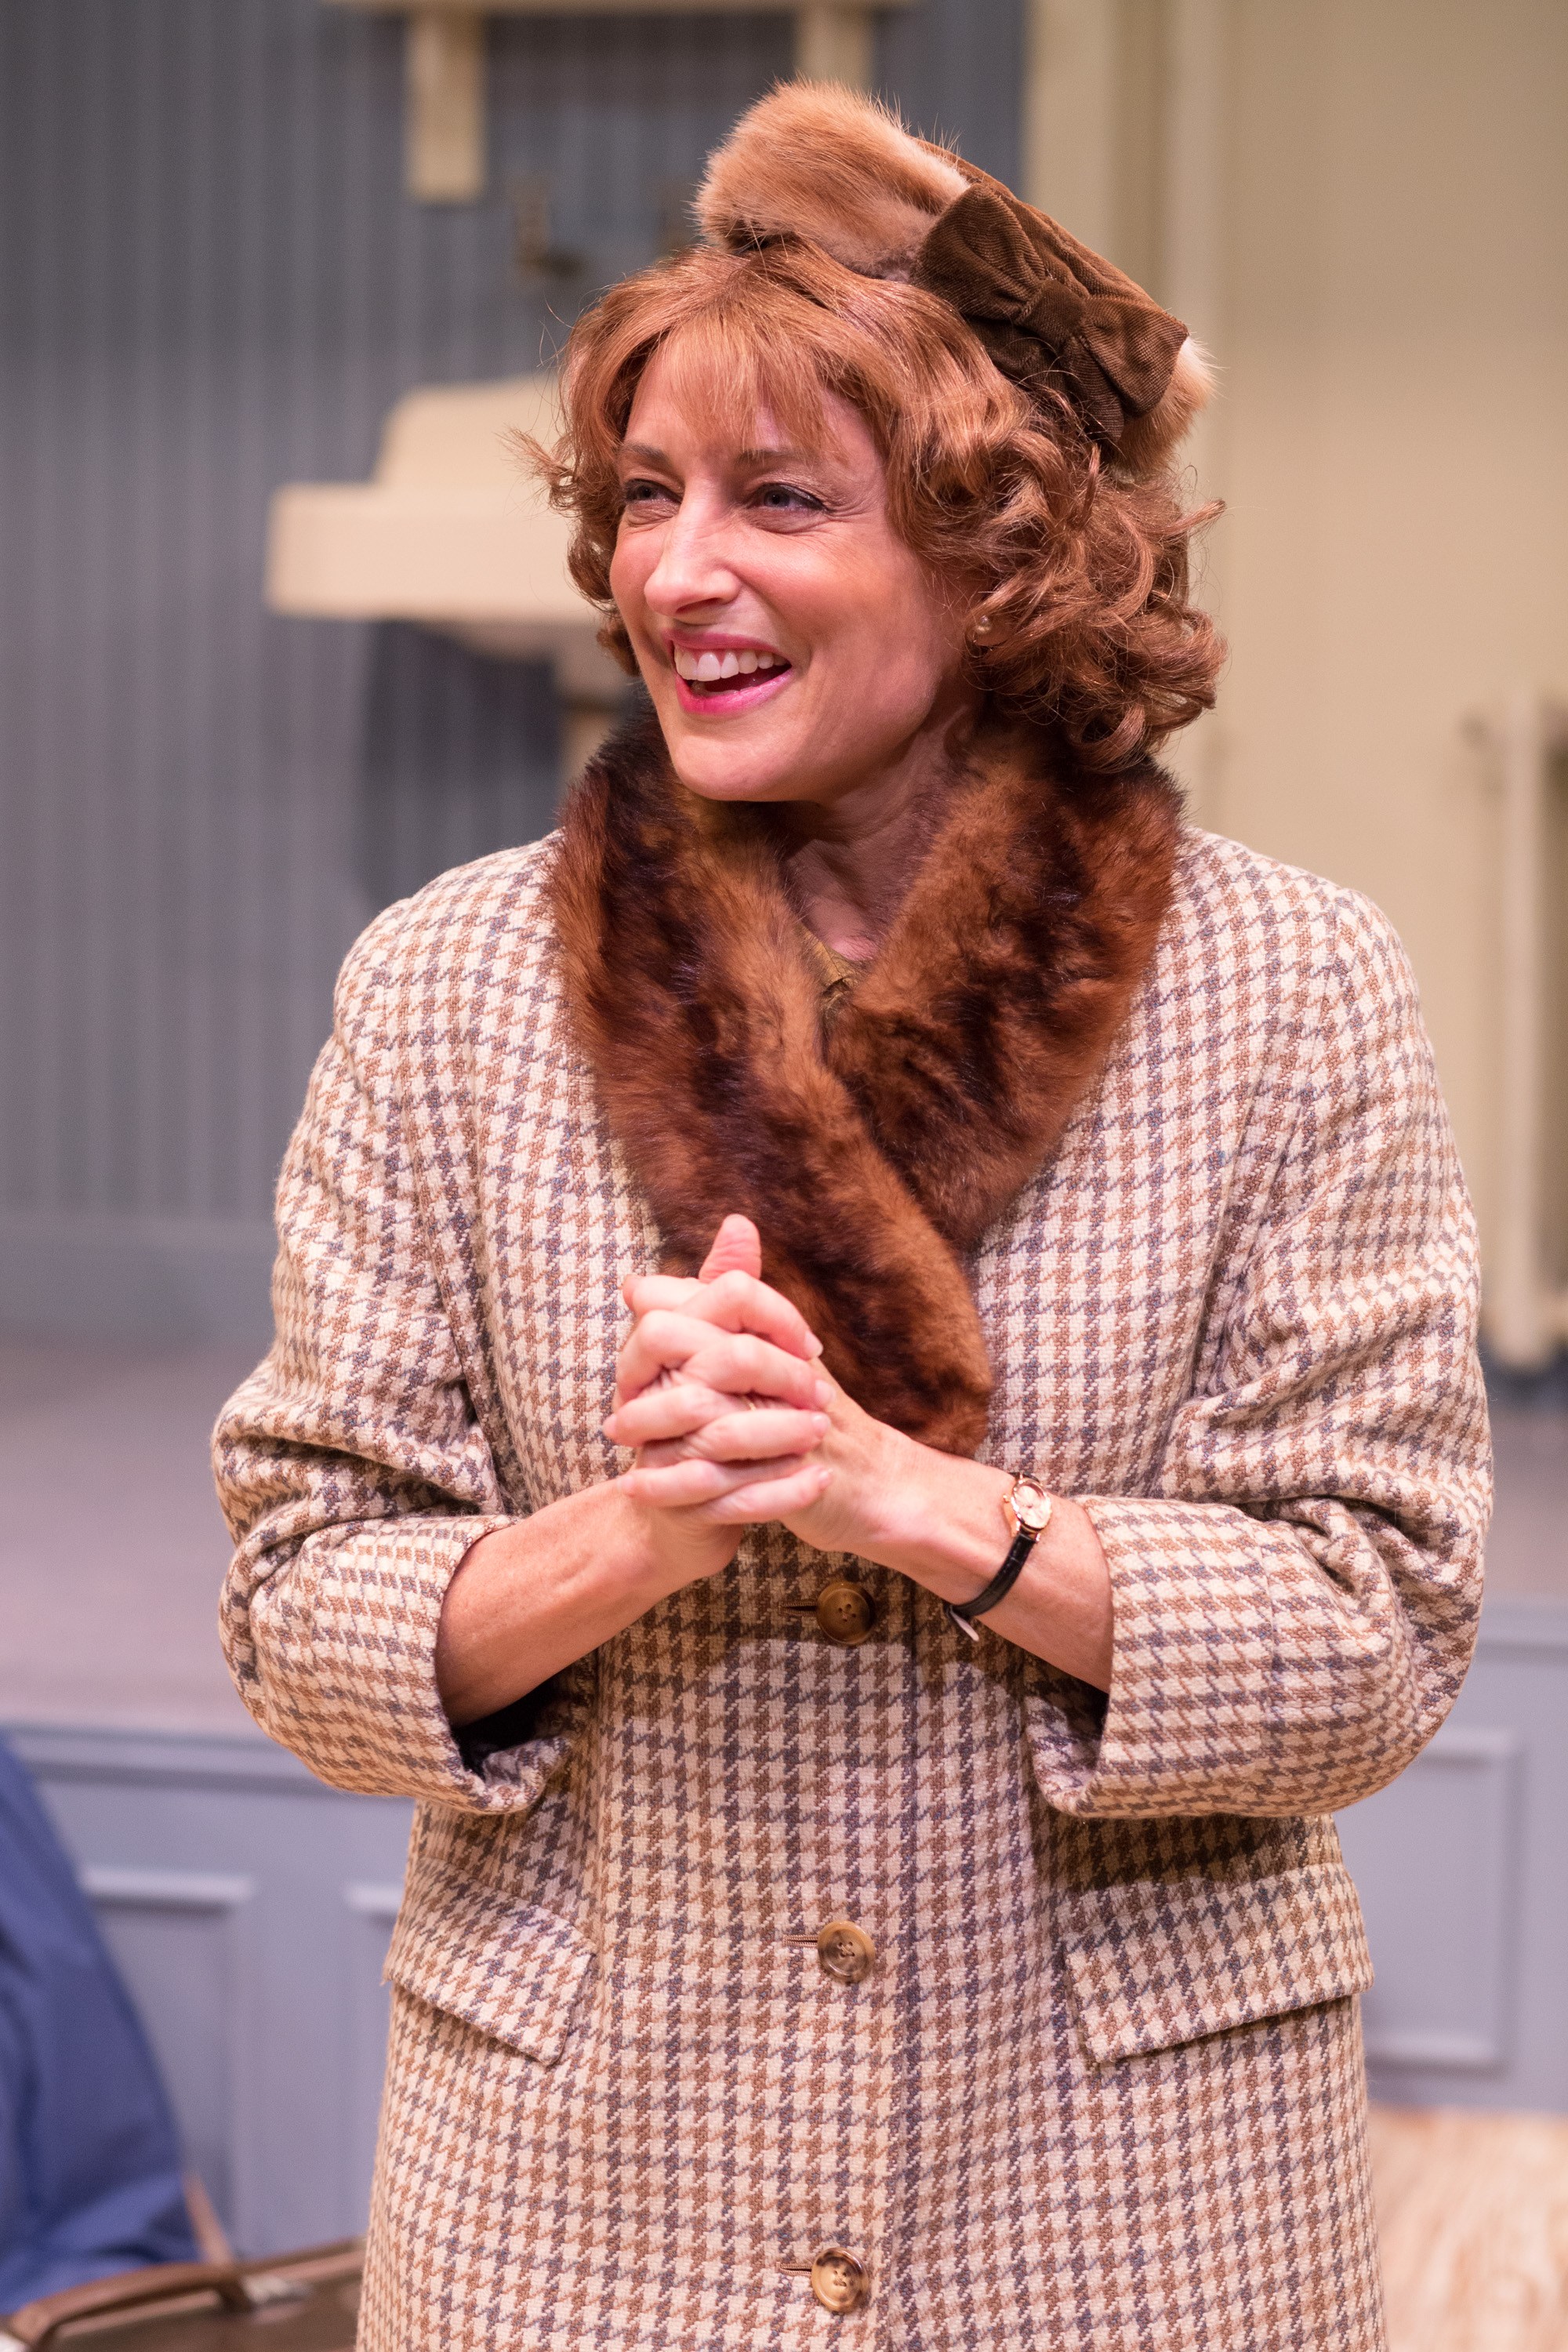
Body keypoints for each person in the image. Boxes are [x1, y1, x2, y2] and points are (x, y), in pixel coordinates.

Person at [214, 82, 1490, 2352]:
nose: (674, 572)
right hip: (589, 2207)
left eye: (777, 499)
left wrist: (914, 1503)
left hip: (1126, 2211)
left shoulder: (1291, 989)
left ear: (1001, 559)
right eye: (644, 496)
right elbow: (301, 1605)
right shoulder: (446, 987)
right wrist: (644, 1529)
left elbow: (1377, 1631)